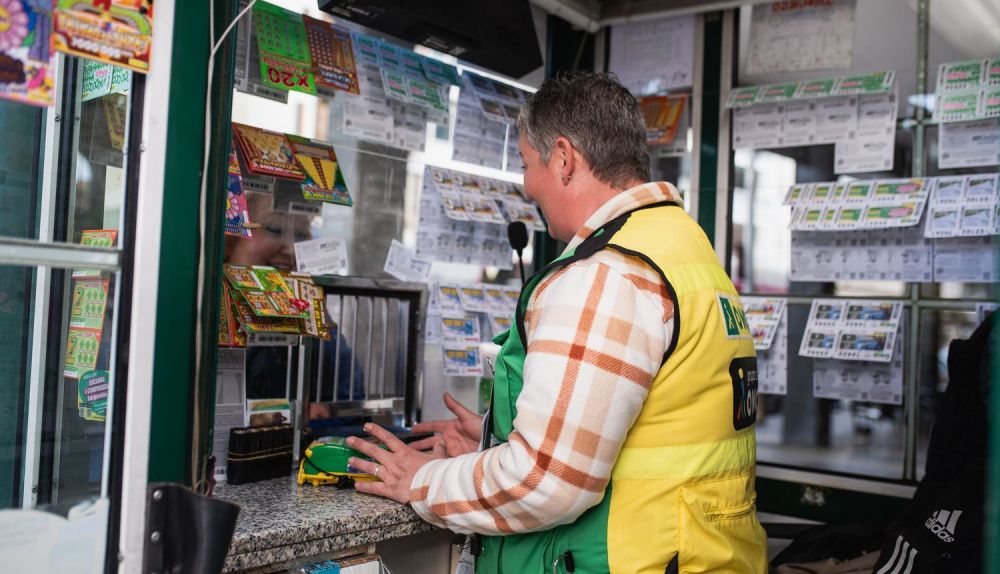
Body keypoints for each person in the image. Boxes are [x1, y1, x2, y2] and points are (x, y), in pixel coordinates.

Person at [345, 72, 768, 573]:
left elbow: (545, 484)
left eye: (528, 163)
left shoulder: (608, 273)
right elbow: (653, 421)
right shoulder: (684, 245)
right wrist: (492, 442)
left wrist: (422, 479)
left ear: (564, 158)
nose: (526, 186)